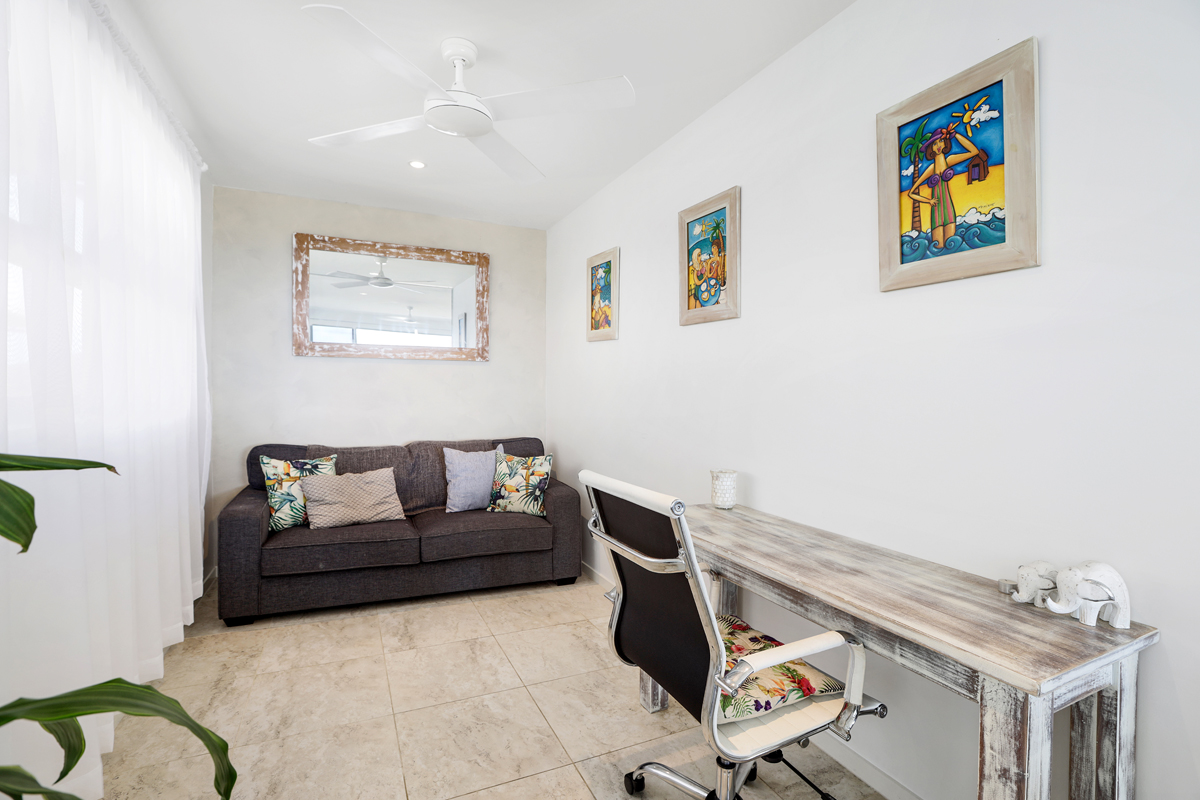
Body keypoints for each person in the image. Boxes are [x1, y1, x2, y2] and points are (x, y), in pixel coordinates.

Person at [908, 126, 979, 247]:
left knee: (952, 245)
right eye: (935, 143)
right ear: (931, 148)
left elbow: (974, 151)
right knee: (939, 246)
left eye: (941, 141)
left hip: (948, 207)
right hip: (936, 211)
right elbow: (911, 193)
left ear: (945, 142)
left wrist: (955, 135)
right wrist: (928, 201)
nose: (938, 145)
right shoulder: (931, 169)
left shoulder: (949, 161)